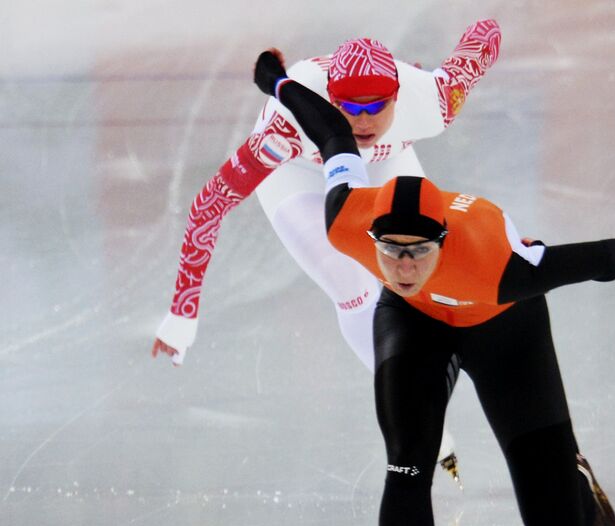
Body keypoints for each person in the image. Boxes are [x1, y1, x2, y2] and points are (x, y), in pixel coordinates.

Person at [252, 49, 615, 526]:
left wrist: (613, 255)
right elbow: (331, 134)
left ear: (441, 242)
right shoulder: (349, 217)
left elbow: (609, 258)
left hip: (502, 326)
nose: (400, 266)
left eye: (415, 253)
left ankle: (570, 479)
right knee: (406, 470)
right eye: (388, 253)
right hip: (417, 329)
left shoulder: (501, 264)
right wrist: (278, 81)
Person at [152, 22, 503, 483]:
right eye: (349, 108)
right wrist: (182, 314)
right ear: (331, 102)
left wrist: (485, 26)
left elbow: (484, 40)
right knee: (349, 278)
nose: (362, 121)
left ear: (397, 95)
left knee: (437, 269)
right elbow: (209, 205)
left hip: (386, 163)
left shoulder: (433, 100)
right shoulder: (286, 127)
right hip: (297, 171)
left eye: (376, 107)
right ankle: (418, 419)